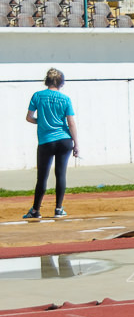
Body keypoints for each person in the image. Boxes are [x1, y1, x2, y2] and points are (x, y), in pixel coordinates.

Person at [24, 67, 80, 219]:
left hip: (46, 141)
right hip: (64, 139)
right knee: (60, 174)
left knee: (42, 176)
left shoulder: (38, 96)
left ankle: (35, 210)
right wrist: (76, 144)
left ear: (46, 81)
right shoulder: (65, 99)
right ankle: (58, 209)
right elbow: (71, 123)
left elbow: (29, 117)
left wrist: (41, 122)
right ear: (61, 83)